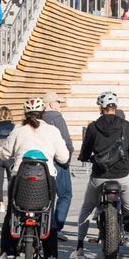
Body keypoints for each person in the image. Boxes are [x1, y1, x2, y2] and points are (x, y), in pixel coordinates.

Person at [0, 98, 70, 259]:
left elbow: (5, 154)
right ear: (42, 113)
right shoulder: (52, 131)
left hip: (20, 179)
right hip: (46, 180)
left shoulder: (18, 130)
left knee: (11, 215)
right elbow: (64, 157)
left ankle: (4, 256)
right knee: (48, 215)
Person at [72, 92, 129, 259]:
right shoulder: (127, 126)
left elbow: (85, 152)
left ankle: (79, 247)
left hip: (99, 176)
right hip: (121, 176)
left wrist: (85, 157)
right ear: (116, 107)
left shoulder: (92, 127)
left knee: (86, 208)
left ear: (101, 107)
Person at [42, 94, 75, 231]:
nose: (60, 104)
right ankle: (56, 227)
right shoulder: (57, 118)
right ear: (51, 104)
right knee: (65, 194)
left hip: (44, 161)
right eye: (58, 102)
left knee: (48, 196)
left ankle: (45, 226)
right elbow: (66, 140)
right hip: (58, 160)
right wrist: (68, 156)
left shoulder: (39, 117)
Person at [0, 105, 18, 215]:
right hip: (10, 157)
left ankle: (1, 204)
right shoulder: (13, 127)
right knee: (11, 181)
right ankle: (10, 203)